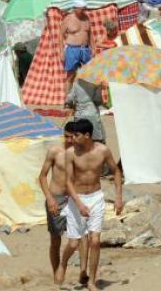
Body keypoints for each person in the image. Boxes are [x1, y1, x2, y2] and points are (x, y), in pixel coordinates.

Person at [58, 119, 123, 291]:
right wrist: (78, 204)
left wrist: (118, 197)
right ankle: (63, 263)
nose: (72, 138)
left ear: (87, 135)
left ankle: (91, 281)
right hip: (76, 198)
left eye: (76, 135)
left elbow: (116, 171)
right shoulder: (70, 153)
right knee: (73, 244)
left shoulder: (103, 151)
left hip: (95, 197)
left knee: (95, 241)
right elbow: (68, 182)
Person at [38, 122, 86, 284]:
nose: (69, 140)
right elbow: (42, 176)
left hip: (74, 198)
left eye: (73, 137)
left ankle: (83, 273)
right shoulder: (55, 152)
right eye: (66, 136)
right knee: (55, 239)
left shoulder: (82, 154)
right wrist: (50, 199)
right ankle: (56, 274)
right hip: (56, 198)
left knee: (81, 236)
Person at [62, 2, 93, 94]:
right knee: (71, 75)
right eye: (82, 8)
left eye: (85, 8)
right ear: (75, 8)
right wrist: (61, 50)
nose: (84, 10)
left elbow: (90, 35)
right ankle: (68, 99)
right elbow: (60, 35)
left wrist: (93, 48)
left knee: (90, 72)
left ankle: (89, 95)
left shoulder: (86, 18)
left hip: (85, 49)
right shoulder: (68, 19)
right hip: (72, 49)